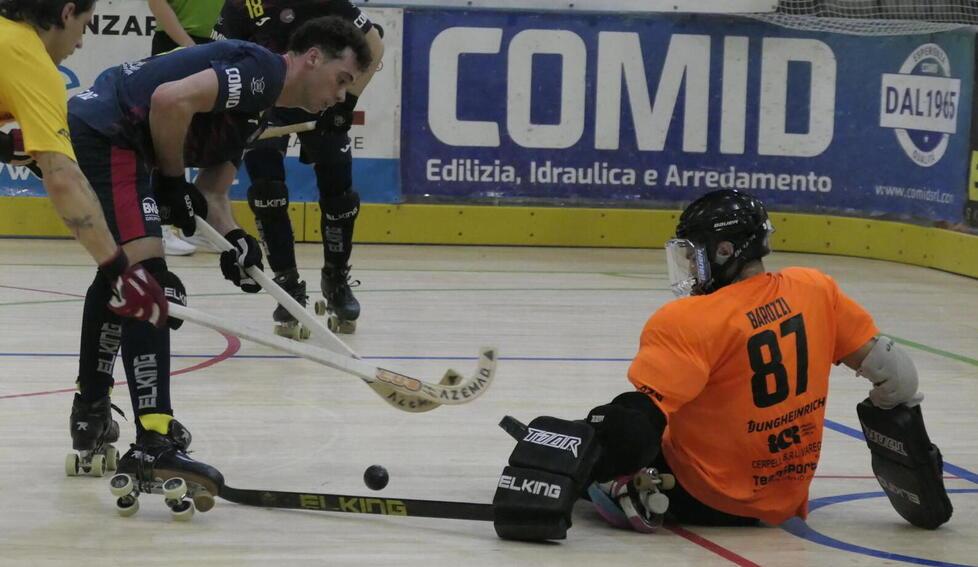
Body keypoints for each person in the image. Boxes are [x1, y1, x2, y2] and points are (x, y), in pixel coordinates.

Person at [489, 189, 951, 541]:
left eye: (695, 253)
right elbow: (898, 377)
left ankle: (631, 491)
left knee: (614, 423)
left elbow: (634, 433)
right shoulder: (815, 289)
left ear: (726, 250)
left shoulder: (692, 319)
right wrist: (899, 434)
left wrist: (590, 451)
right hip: (785, 498)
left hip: (707, 497)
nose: (690, 266)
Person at [65, 17, 372, 509]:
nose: (341, 96)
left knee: (125, 274)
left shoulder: (263, 109)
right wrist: (168, 180)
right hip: (110, 133)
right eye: (341, 80)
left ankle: (92, 410)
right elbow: (170, 101)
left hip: (116, 137)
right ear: (313, 57)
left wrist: (235, 240)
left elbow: (210, 192)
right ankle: (154, 438)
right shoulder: (263, 70)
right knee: (150, 283)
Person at [220, 0, 385, 337]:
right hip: (267, 102)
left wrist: (347, 102)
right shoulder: (240, 4)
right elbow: (219, 58)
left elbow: (374, 43)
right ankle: (287, 284)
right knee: (267, 192)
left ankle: (336, 278)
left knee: (339, 193)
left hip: (317, 97)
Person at [0, 1, 169, 328]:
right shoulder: (27, 58)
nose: (80, 42)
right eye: (84, 25)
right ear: (66, 13)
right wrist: (120, 271)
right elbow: (62, 180)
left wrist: (6, 147)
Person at [146, 0, 226, 256]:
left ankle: (196, 223)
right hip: (177, 42)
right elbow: (157, 4)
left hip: (218, 41)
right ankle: (161, 224)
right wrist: (189, 47)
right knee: (165, 134)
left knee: (210, 134)